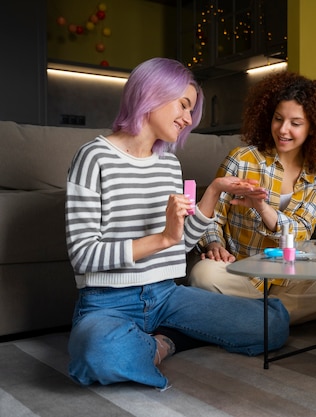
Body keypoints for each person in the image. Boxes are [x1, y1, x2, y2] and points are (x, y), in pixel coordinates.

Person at [65, 57, 290, 390]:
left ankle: (155, 340)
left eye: (191, 111)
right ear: (151, 94)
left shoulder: (169, 164)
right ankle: (162, 343)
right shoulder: (93, 158)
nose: (188, 119)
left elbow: (178, 247)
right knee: (96, 352)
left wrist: (212, 192)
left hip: (166, 295)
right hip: (106, 301)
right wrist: (162, 238)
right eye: (184, 106)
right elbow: (83, 255)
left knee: (273, 324)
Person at [189, 71, 316, 325]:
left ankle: (253, 317)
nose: (283, 130)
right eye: (278, 119)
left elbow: (301, 232)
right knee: (203, 274)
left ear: (312, 127)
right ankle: (273, 318)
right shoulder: (242, 159)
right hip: (240, 274)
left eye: (295, 123)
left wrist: (262, 207)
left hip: (291, 281)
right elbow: (213, 215)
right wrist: (213, 244)